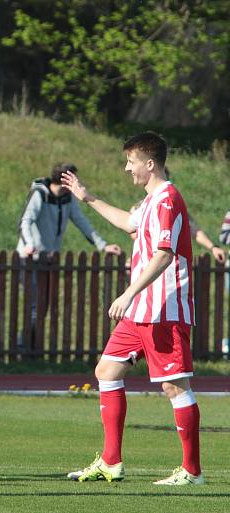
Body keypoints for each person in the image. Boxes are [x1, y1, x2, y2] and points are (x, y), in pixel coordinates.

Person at [62, 132, 204, 486]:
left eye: (131, 162)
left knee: (175, 387)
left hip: (163, 309)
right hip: (141, 310)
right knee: (107, 372)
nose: (128, 168)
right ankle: (112, 462)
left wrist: (127, 293)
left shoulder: (168, 199)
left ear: (150, 164)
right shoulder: (148, 202)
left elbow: (164, 253)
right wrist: (87, 196)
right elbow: (127, 223)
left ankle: (192, 471)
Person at [17, 162, 123, 258]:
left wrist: (103, 246)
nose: (77, 182)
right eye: (73, 178)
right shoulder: (40, 194)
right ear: (64, 180)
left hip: (50, 257)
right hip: (30, 256)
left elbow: (82, 222)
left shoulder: (68, 198)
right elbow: (25, 221)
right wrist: (29, 244)